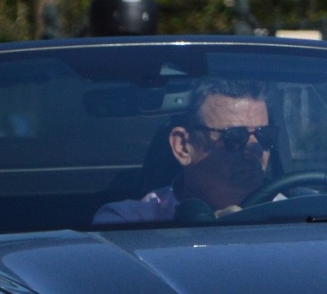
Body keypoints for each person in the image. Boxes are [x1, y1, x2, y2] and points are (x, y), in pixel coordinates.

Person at [92, 79, 273, 225]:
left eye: (265, 135)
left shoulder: (294, 208)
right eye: (235, 136)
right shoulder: (127, 223)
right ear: (183, 147)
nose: (255, 148)